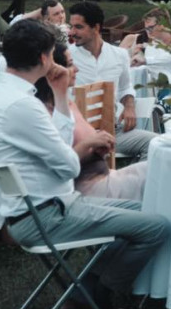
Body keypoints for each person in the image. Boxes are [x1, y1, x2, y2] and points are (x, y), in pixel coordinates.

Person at [0, 19, 169, 309]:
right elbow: (68, 165)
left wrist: (58, 94)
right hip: (46, 214)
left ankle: (84, 296)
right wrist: (63, 106)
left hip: (32, 209)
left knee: (139, 211)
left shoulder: (2, 95)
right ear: (44, 58)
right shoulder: (23, 105)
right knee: (157, 226)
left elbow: (59, 146)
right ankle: (100, 295)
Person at [36, 42, 145, 203]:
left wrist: (98, 146)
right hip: (89, 189)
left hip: (105, 176)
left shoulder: (66, 103)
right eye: (71, 64)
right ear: (55, 71)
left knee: (159, 168)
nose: (77, 69)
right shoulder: (44, 113)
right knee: (157, 176)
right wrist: (90, 143)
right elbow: (59, 164)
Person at [66, 1, 155, 163]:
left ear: (96, 28)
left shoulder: (119, 55)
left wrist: (129, 106)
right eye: (71, 27)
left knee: (155, 144)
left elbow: (125, 86)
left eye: (78, 27)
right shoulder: (67, 57)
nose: (72, 32)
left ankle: (136, 185)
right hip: (77, 133)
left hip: (111, 131)